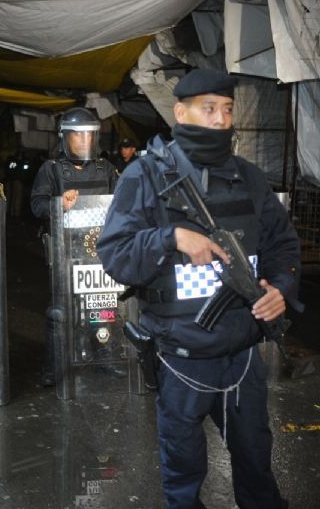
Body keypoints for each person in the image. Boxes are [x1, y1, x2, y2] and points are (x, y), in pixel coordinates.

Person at [97, 68, 300, 509]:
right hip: (181, 358)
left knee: (256, 466)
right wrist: (171, 238)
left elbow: (284, 245)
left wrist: (281, 287)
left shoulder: (250, 178)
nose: (219, 120)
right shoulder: (145, 176)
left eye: (227, 110)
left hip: (242, 357)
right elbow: (115, 255)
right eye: (208, 109)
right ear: (180, 112)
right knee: (184, 474)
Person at [30, 107, 119, 387]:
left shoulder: (106, 169)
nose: (83, 141)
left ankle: (103, 356)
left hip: (99, 252)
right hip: (65, 253)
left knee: (102, 308)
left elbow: (123, 201)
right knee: (61, 312)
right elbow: (36, 204)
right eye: (77, 136)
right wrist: (59, 204)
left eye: (88, 136)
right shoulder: (52, 170)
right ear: (65, 139)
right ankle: (54, 367)